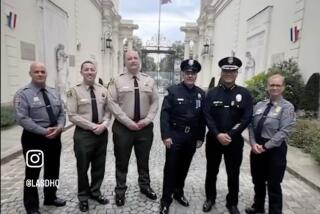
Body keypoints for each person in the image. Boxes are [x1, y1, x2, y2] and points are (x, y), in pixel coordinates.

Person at [107, 50, 159, 206]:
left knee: (144, 160)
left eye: (135, 58)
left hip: (144, 128)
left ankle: (145, 186)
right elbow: (112, 103)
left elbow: (155, 102)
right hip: (123, 128)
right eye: (129, 58)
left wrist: (148, 119)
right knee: (121, 160)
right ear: (125, 62)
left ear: (139, 60)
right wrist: (128, 122)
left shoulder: (149, 81)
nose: (133, 60)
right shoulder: (116, 81)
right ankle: (120, 190)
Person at [14, 62, 66, 214]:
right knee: (32, 173)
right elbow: (22, 118)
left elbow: (62, 113)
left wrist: (60, 127)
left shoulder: (53, 92)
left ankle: (50, 196)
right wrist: (43, 131)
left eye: (43, 71)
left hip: (54, 137)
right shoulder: (23, 94)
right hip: (34, 138)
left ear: (46, 73)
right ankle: (31, 206)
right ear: (30, 73)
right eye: (36, 71)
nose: (40, 74)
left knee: (52, 169)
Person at [203, 56, 253, 214]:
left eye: (232, 71)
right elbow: (207, 115)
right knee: (211, 170)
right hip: (214, 139)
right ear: (221, 72)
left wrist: (230, 134)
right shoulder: (211, 93)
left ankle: (232, 203)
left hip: (234, 141)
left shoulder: (244, 94)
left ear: (237, 73)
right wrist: (217, 134)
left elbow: (246, 117)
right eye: (226, 70)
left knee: (233, 173)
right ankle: (210, 198)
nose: (229, 73)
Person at [159, 59, 206, 214]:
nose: (190, 76)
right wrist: (166, 136)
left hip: (191, 138)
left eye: (193, 73)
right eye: (187, 73)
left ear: (196, 75)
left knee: (184, 167)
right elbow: (164, 115)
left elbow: (202, 118)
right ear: (182, 74)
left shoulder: (201, 94)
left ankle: (178, 193)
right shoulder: (172, 91)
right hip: (175, 135)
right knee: (171, 168)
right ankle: (165, 200)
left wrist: (200, 137)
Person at [245, 74, 296, 214]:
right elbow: (251, 126)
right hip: (257, 147)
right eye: (272, 85)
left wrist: (265, 146)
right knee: (258, 180)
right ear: (267, 87)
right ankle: (258, 206)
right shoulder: (259, 105)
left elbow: (284, 131)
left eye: (278, 85)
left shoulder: (287, 107)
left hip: (275, 149)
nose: (274, 88)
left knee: (274, 183)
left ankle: (275, 211)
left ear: (283, 87)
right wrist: (253, 143)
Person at [67, 61, 111, 212]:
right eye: (86, 70)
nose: (90, 72)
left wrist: (104, 124)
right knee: (83, 167)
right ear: (81, 72)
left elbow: (108, 110)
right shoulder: (74, 91)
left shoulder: (103, 90)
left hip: (101, 133)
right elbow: (72, 115)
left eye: (92, 69)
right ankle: (83, 197)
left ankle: (95, 192)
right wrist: (93, 127)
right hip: (84, 134)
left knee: (99, 166)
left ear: (96, 72)